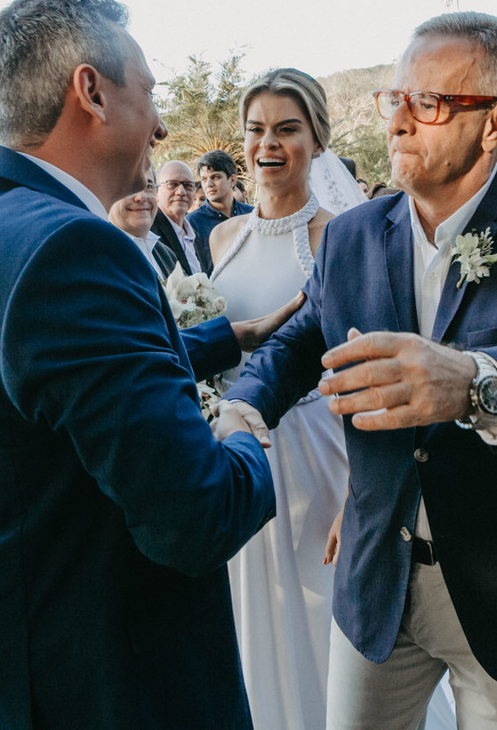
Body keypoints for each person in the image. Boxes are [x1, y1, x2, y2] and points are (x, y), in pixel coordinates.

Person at [222, 11, 497, 730]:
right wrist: (243, 408)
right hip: (376, 584)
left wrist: (475, 382)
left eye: (425, 103)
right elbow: (303, 342)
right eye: (392, 99)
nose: (397, 122)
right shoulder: (355, 234)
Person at [0, 0, 281, 729]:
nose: (160, 123)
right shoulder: (73, 247)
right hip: (116, 686)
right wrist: (244, 434)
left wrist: (228, 337)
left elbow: (62, 388)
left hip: (27, 670)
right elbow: (197, 517)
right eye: (147, 92)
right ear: (92, 91)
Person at [206, 68, 354, 730]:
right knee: (246, 614)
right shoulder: (221, 238)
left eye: (287, 129)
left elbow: (357, 365)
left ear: (317, 141)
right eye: (257, 130)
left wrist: (360, 495)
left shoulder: (338, 239)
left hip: (312, 453)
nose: (269, 144)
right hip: (229, 453)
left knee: (313, 611)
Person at [187, 149, 254, 274]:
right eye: (204, 179)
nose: (208, 184)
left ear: (232, 180)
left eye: (215, 177)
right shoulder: (192, 222)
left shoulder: (252, 214)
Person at [108, 169, 180, 278]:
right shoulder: (100, 256)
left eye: (149, 187)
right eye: (129, 187)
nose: (141, 197)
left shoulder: (166, 254)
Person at [152, 160, 204, 273]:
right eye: (172, 184)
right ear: (156, 191)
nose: (181, 192)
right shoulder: (150, 234)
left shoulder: (195, 234)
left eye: (188, 185)